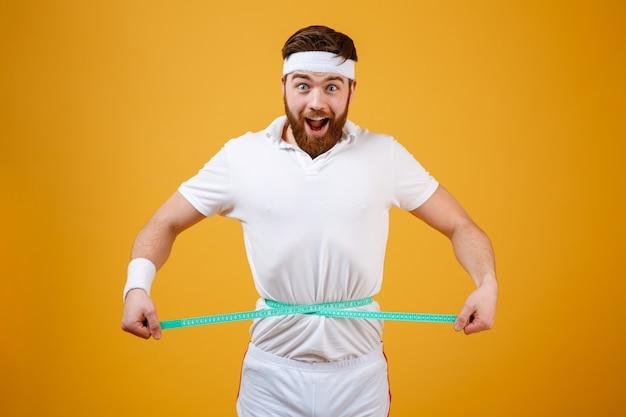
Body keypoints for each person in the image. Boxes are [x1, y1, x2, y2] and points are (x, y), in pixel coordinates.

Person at [120, 25, 498, 417]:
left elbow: (461, 226)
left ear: (352, 89)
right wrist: (136, 287)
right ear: (283, 85)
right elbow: (162, 223)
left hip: (359, 377)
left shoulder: (384, 156)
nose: (317, 103)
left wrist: (486, 283)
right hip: (272, 375)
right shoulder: (242, 157)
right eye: (303, 86)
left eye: (332, 86)